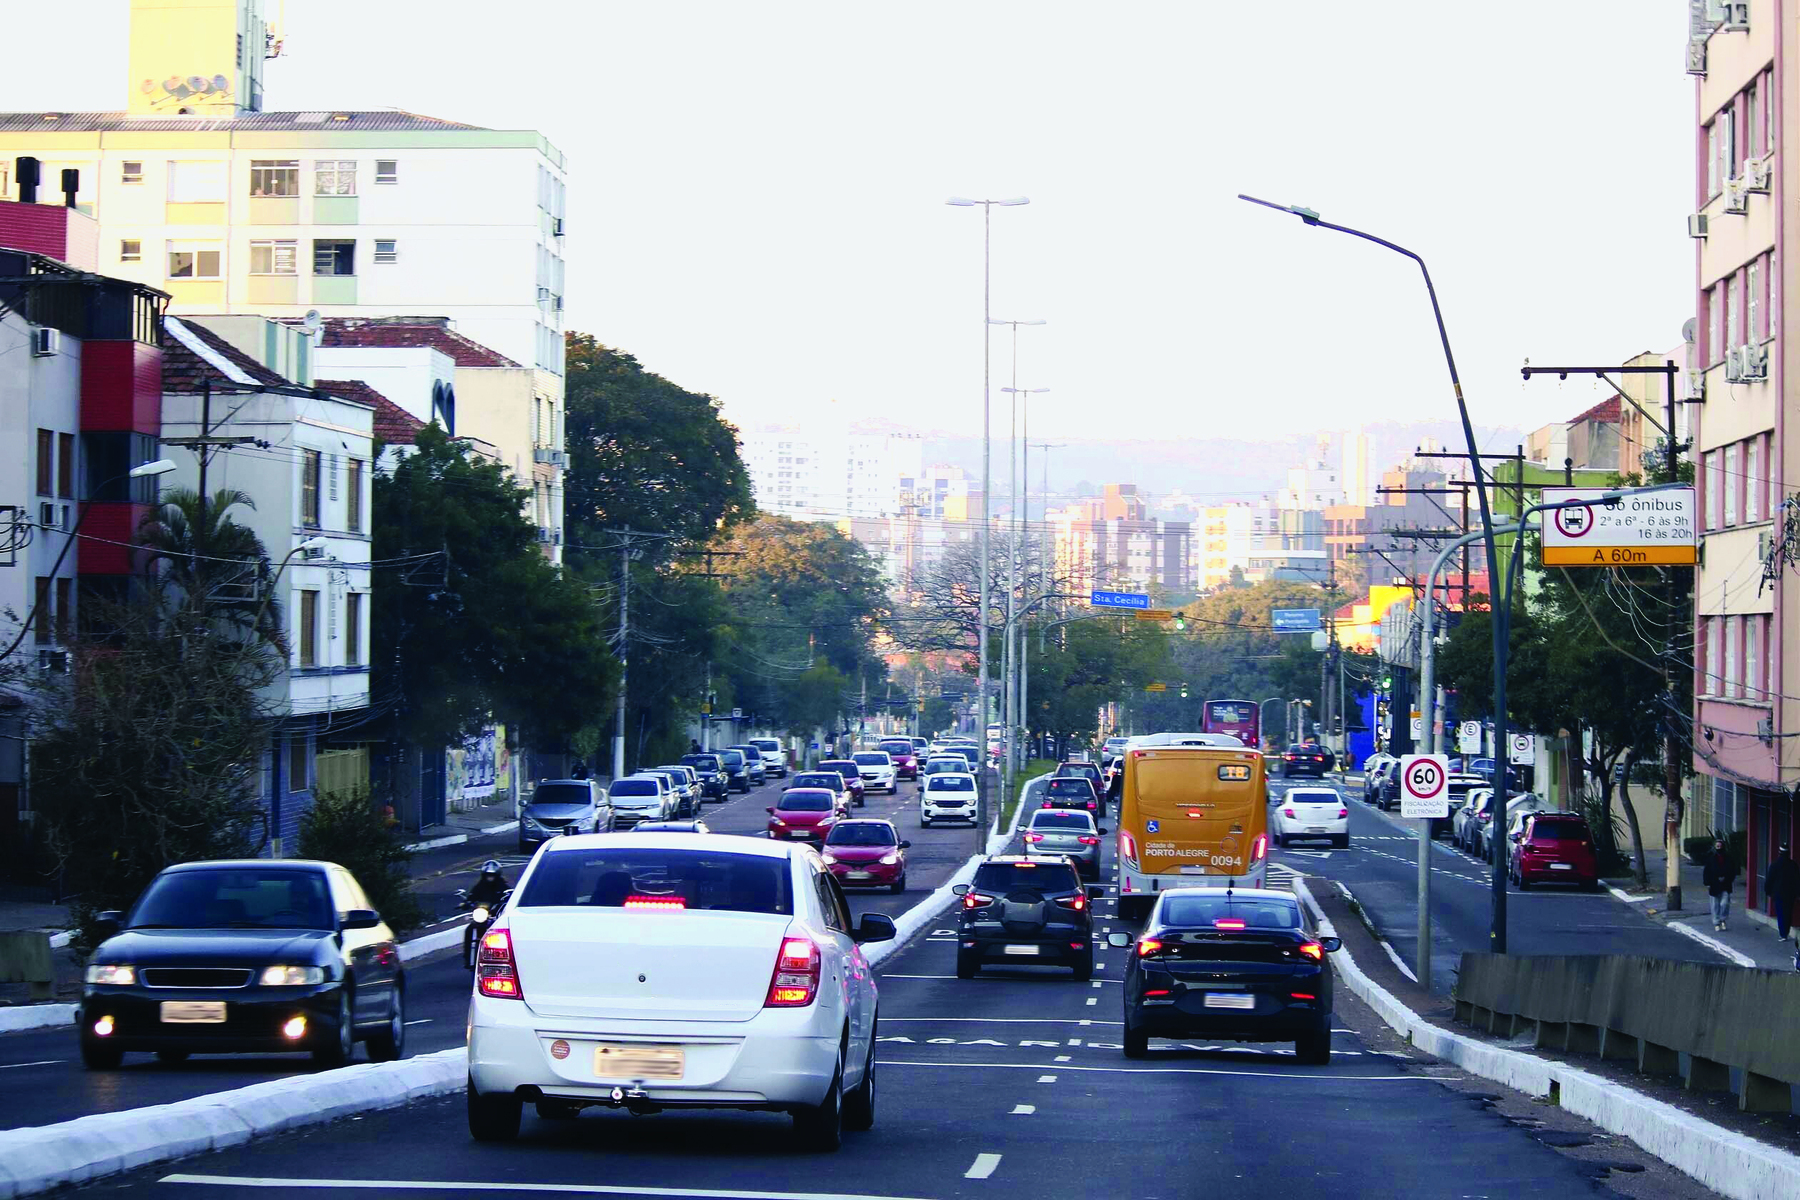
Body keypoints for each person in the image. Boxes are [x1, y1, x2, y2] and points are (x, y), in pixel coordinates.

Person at [1764, 843, 1798, 944]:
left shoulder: (1774, 865)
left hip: (1778, 893)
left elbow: (1770, 879)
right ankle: (1786, 931)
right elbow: (1797, 880)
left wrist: (1768, 890)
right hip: (1790, 894)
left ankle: (1783, 934)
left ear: (1779, 853)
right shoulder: (1793, 865)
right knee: (1788, 913)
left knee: (1780, 913)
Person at [1703, 839, 1738, 932]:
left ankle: (1723, 919)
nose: (1719, 848)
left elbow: (1733, 871)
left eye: (1720, 846)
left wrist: (1727, 879)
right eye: (1717, 846)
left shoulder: (1729, 858)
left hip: (1725, 885)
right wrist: (1707, 883)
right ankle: (1716, 922)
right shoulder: (1711, 859)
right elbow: (1706, 872)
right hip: (1714, 885)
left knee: (1724, 903)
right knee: (1715, 905)